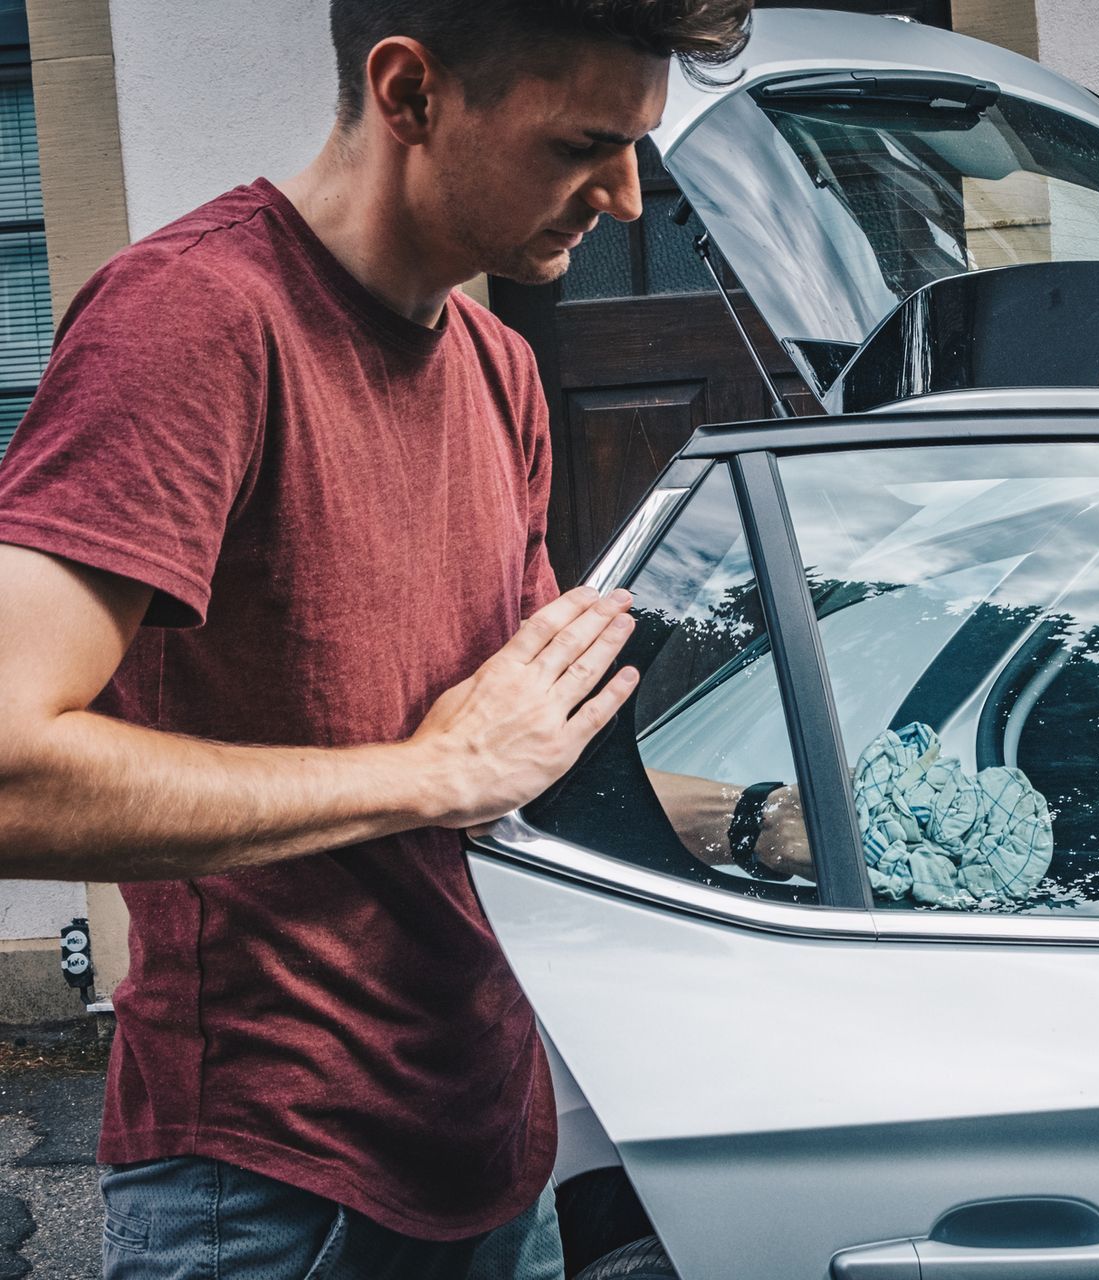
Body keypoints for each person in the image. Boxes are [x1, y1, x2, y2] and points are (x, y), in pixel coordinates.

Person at [0, 0, 751, 1274]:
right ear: (409, 93)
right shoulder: (191, 320)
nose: (627, 198)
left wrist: (770, 819)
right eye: (584, 145)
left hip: (486, 1141)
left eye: (636, 147)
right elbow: (12, 769)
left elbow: (516, 757)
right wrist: (429, 773)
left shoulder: (500, 368)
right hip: (268, 1182)